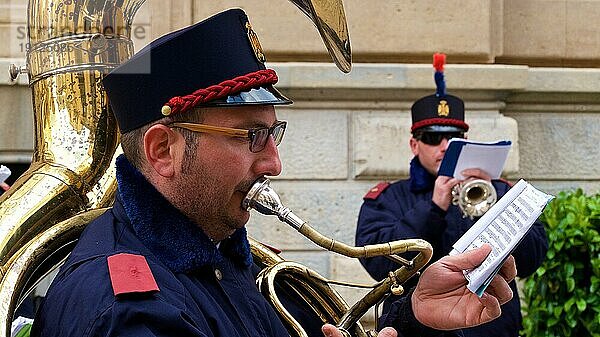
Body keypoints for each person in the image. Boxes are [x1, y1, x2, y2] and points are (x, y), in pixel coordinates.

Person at [31, 11, 517, 337]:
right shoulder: (127, 307)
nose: (274, 164)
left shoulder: (224, 259)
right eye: (249, 137)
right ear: (164, 150)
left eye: (272, 134)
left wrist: (415, 317)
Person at [355, 54, 548, 337]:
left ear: (465, 141)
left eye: (454, 136)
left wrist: (495, 205)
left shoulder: (500, 190)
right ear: (414, 144)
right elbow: (379, 265)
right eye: (433, 138)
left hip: (491, 327)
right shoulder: (388, 197)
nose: (444, 146)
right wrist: (432, 208)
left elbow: (532, 260)